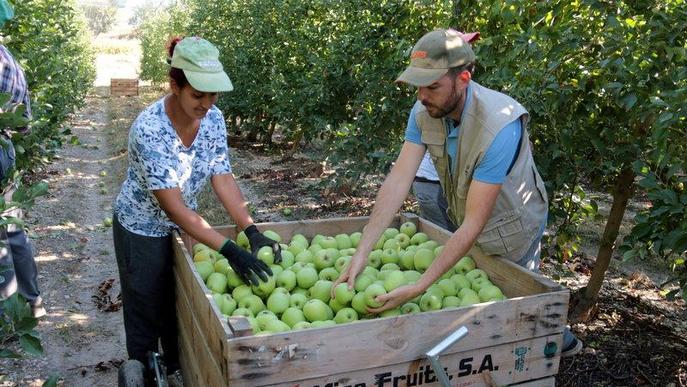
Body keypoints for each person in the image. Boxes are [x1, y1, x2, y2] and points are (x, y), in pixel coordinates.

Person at [332, 29, 582, 357]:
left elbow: (475, 223)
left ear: (463, 78)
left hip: (512, 225)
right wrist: (362, 251)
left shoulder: (499, 126)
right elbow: (398, 181)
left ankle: (558, 344)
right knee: (473, 300)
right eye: (418, 84)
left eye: (432, 85)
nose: (422, 95)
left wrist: (421, 285)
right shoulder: (424, 110)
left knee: (514, 304)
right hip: (469, 216)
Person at [112, 36, 280, 380]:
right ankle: (142, 370)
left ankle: (178, 368)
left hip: (181, 226)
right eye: (197, 95)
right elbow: (173, 208)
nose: (207, 104)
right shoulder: (149, 130)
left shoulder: (213, 119)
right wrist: (230, 249)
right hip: (141, 226)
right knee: (145, 305)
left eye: (213, 94)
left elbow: (222, 175)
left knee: (180, 305)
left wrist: (251, 231)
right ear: (174, 85)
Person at [0, 0, 46, 319]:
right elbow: (25, 122)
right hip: (6, 151)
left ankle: (9, 314)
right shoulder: (11, 62)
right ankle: (33, 301)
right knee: (12, 228)